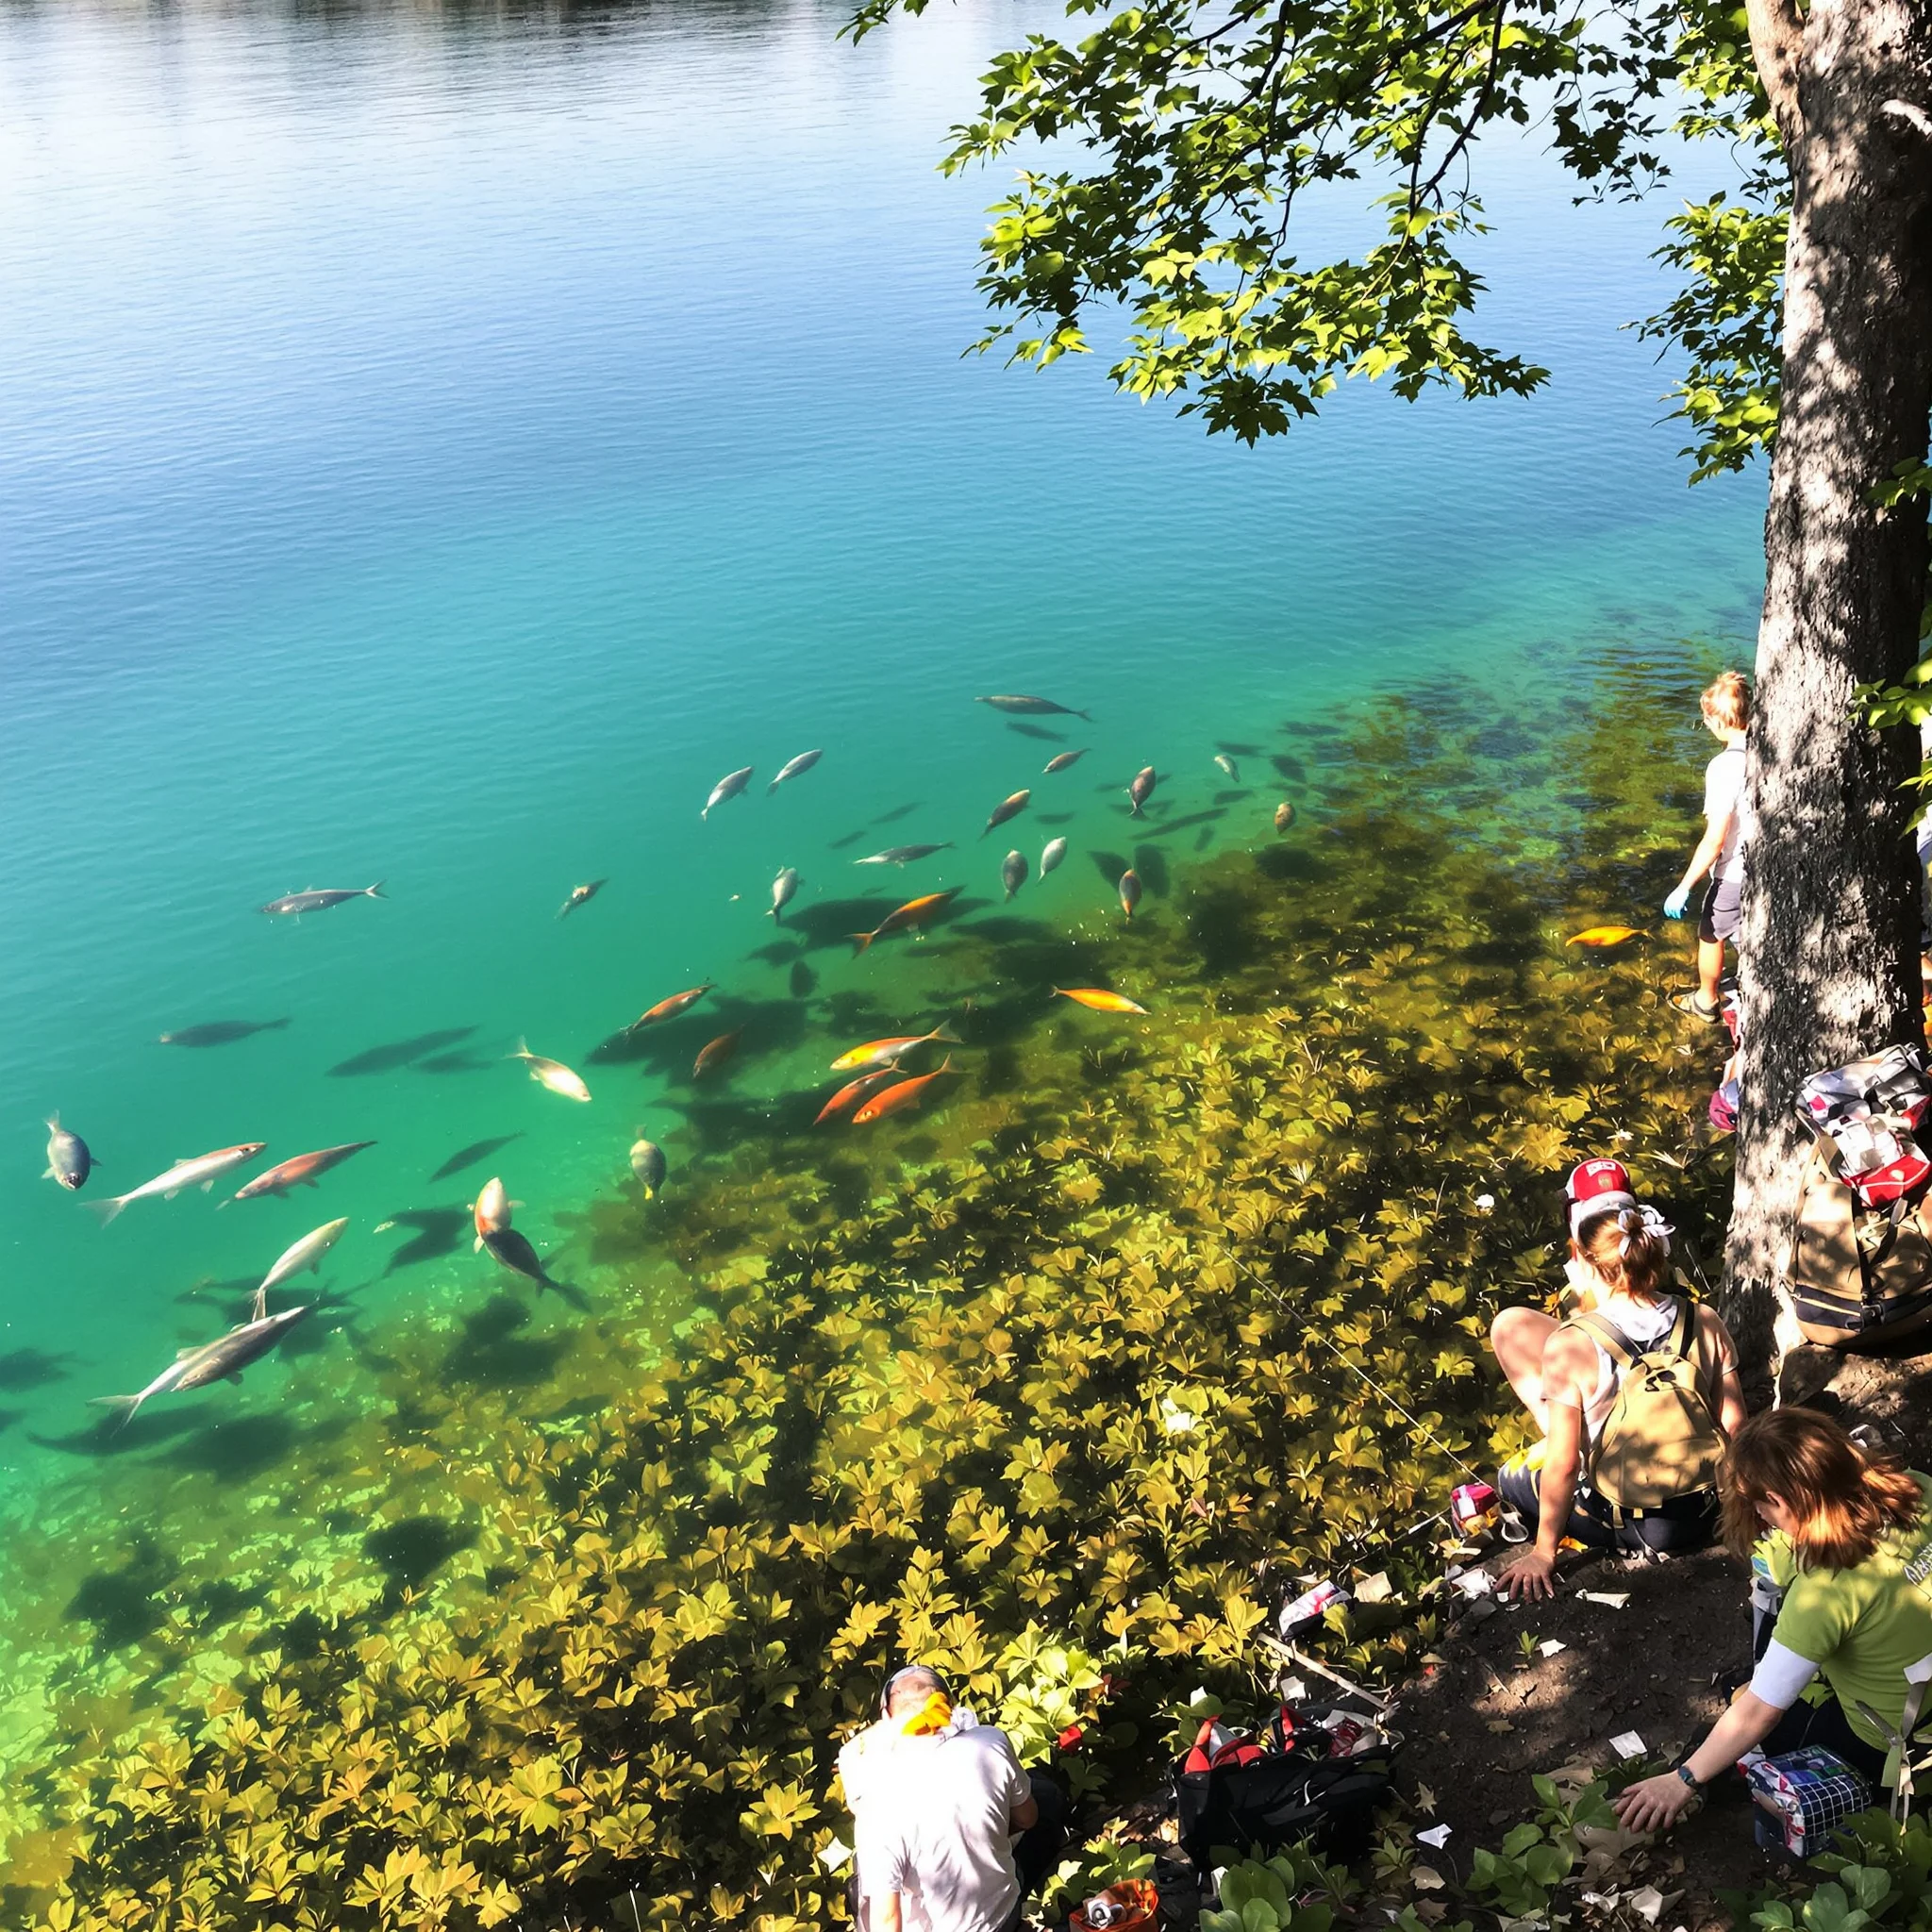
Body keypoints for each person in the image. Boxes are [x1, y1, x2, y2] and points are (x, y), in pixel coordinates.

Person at [1615, 1407, 1932, 1834]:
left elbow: (1760, 1712)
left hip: (1896, 1744)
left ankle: (1697, 1785)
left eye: (1760, 1505)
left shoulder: (1826, 1590)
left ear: (1779, 1501)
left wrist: (1683, 1779)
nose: (1760, 1517)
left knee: (1742, 1697)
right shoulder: (1918, 1489)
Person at [1490, 1159, 1746, 1598]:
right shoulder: (1702, 1317)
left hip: (1646, 1528)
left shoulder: (1570, 1345)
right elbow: (1737, 1425)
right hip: (1712, 1507)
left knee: (1512, 1477)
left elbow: (1565, 1465)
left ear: (1581, 1258)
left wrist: (1544, 1553)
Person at [841, 1663, 1065, 1932]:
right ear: (951, 1707)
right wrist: (980, 1833)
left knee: (864, 1871)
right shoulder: (990, 1742)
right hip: (1002, 1918)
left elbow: (887, 1920)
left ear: (886, 1718)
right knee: (1044, 1795)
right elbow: (1028, 1818)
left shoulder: (875, 1796)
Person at [1663, 669, 1753, 1023]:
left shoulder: (1723, 767)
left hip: (1735, 871)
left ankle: (1707, 1001)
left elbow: (1716, 838)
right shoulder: (1771, 749)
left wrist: (1684, 886)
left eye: (1706, 718)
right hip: (1769, 864)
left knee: (1710, 931)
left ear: (1717, 722)